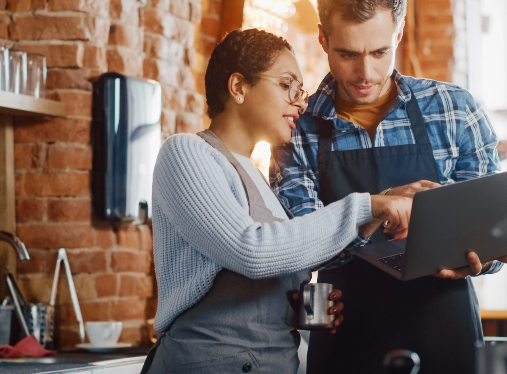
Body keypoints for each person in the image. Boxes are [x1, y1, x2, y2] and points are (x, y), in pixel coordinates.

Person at [270, 0, 507, 374]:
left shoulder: (455, 110)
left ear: (398, 33)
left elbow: (490, 229)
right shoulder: (297, 128)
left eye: (379, 52)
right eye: (347, 53)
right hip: (347, 340)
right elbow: (299, 245)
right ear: (323, 38)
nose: (365, 73)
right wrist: (377, 207)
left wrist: (483, 255)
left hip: (446, 332)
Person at [141, 29, 413, 374]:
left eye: (301, 90)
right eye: (287, 85)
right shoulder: (186, 152)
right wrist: (367, 206)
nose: (300, 102)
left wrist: (295, 310)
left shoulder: (259, 180)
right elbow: (251, 250)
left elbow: (266, 266)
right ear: (238, 87)